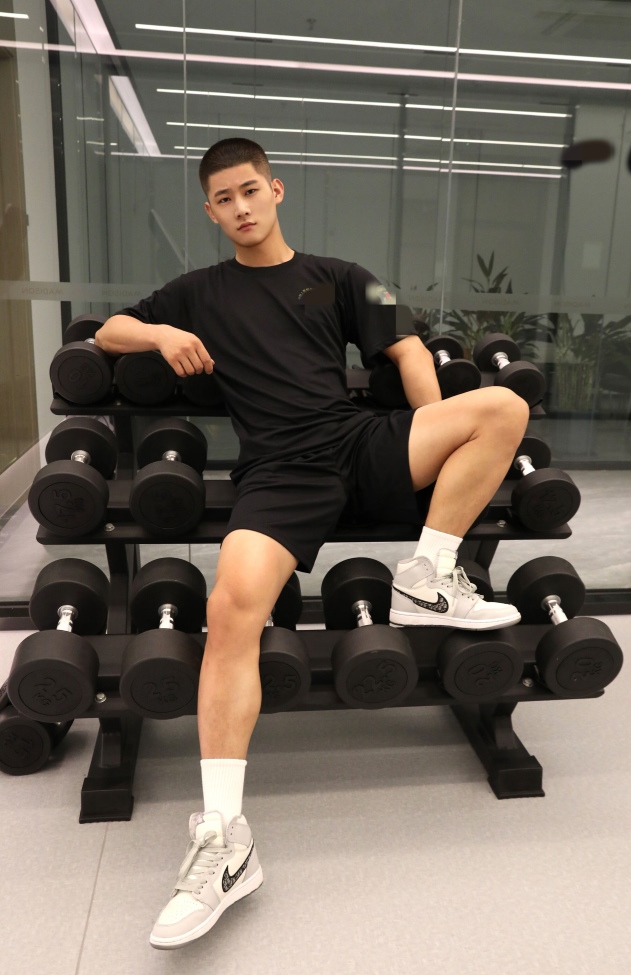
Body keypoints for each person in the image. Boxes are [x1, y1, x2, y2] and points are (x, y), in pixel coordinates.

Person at [94, 137, 529, 950]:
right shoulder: (199, 291)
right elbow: (109, 330)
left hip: (359, 442)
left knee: (503, 407)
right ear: (210, 210)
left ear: (277, 189)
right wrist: (158, 336)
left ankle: (429, 575)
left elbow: (405, 348)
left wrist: (429, 438)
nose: (241, 207)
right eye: (224, 199)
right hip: (279, 470)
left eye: (250, 190)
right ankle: (225, 841)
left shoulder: (341, 275)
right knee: (231, 609)